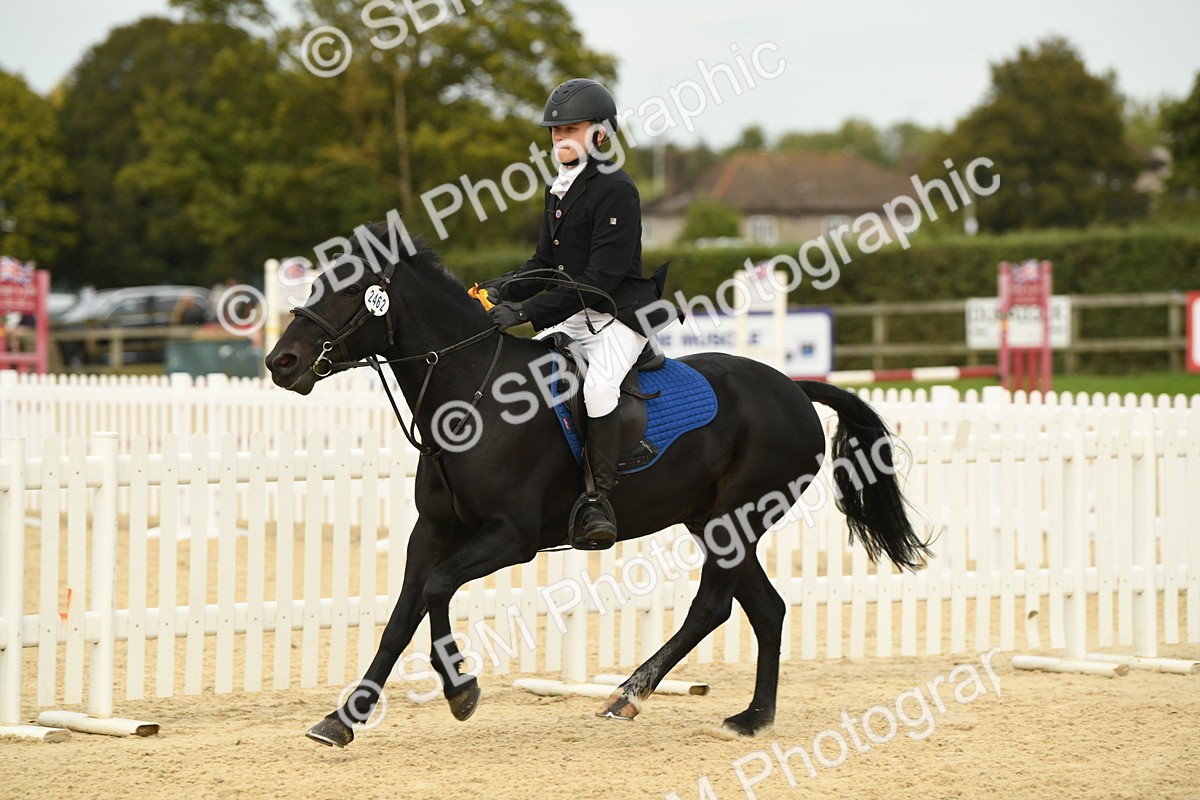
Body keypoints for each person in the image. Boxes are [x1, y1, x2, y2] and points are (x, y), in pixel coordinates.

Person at [485, 78, 662, 550]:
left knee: (600, 387)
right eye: (555, 130)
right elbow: (545, 263)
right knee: (527, 371)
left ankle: (598, 500)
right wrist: (502, 287)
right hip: (575, 315)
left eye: (572, 129)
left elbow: (598, 281)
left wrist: (524, 310)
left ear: (600, 134)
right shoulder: (559, 189)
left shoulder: (617, 189)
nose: (560, 138)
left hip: (616, 317)